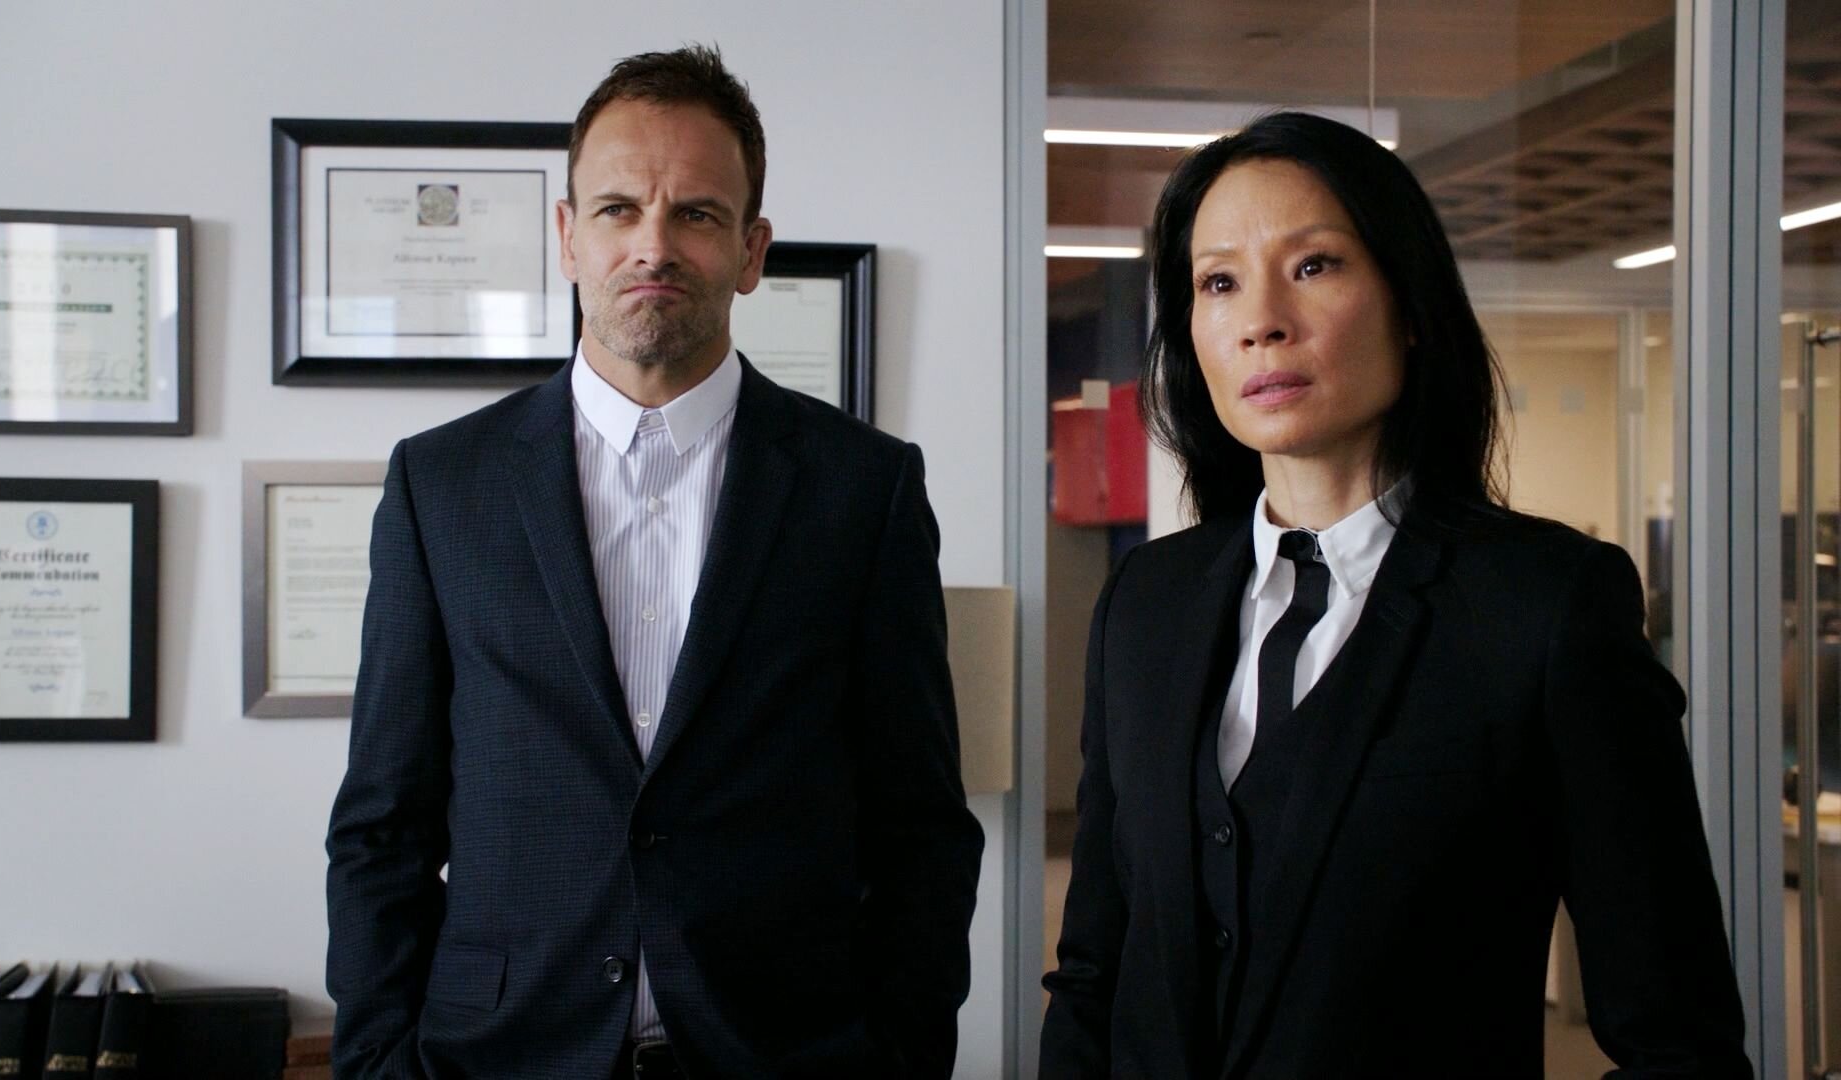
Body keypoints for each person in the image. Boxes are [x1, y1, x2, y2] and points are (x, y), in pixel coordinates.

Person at [1038, 111, 1751, 1078]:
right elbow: (1095, 969)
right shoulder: (1145, 603)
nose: (1261, 320)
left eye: (1314, 265)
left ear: (1410, 304)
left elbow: (1678, 1035)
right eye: (1219, 282)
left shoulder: (1545, 606)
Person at [325, 44, 983, 1080]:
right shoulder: (440, 486)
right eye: (618, 209)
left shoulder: (865, 490)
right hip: (500, 1056)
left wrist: (899, 1056)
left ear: (752, 251)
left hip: (783, 1056)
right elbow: (382, 827)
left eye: (697, 214)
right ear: (567, 236)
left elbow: (920, 827)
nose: (653, 246)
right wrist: (374, 1064)